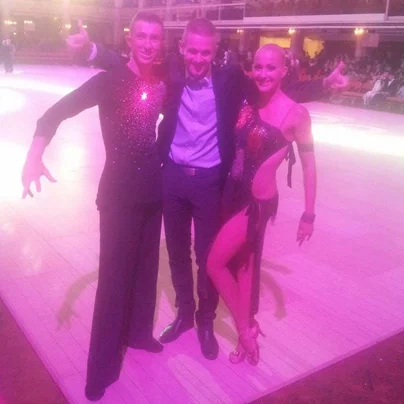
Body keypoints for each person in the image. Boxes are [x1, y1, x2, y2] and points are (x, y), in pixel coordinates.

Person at [67, 17, 347, 361]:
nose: (198, 59)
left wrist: (324, 84)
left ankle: (205, 321)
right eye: (192, 51)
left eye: (205, 53)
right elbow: (129, 65)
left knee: (207, 255)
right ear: (182, 48)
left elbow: (274, 90)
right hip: (172, 176)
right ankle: (185, 313)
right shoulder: (171, 71)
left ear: (215, 52)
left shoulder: (229, 79)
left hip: (210, 180)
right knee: (177, 253)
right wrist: (91, 49)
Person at [21, 12, 166, 401]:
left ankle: (138, 334)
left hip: (153, 191)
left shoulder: (162, 80)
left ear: (161, 42)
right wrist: (33, 156)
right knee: (114, 281)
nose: (148, 43)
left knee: (146, 271)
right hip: (118, 194)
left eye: (154, 37)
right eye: (141, 36)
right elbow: (53, 114)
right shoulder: (109, 80)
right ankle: (100, 368)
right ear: (130, 39)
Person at [206, 44, 316, 366]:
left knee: (214, 264)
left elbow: (309, 166)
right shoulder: (248, 99)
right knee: (244, 268)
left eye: (271, 68)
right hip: (232, 194)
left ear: (284, 71)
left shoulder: (296, 114)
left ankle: (244, 331)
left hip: (256, 204)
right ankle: (250, 328)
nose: (263, 74)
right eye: (258, 66)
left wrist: (308, 214)